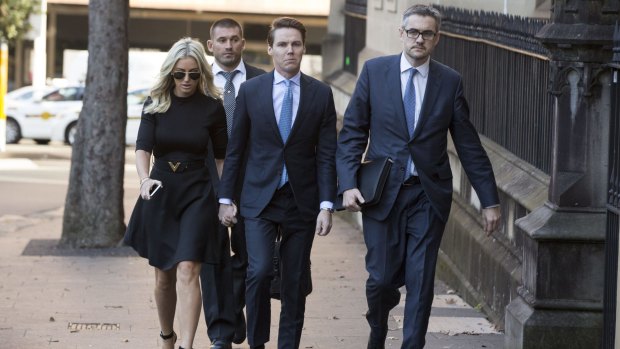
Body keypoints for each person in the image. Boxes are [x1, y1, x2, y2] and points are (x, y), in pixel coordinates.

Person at [336, 5, 502, 349]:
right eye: (413, 32)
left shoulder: (449, 81)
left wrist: (489, 200)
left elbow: (468, 144)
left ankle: (412, 344)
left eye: (427, 33)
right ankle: (378, 328)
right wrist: (348, 183)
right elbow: (353, 131)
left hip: (428, 196)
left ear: (437, 38)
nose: (419, 39)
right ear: (402, 34)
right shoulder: (374, 72)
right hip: (382, 195)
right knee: (381, 280)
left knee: (421, 279)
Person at [218, 17, 337, 349]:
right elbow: (236, 148)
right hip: (258, 198)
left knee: (294, 280)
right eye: (283, 44)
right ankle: (257, 343)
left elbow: (327, 154)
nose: (290, 51)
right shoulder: (251, 91)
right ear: (270, 49)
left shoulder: (320, 94)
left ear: (303, 48)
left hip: (301, 200)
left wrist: (327, 205)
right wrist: (226, 197)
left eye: (296, 44)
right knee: (258, 273)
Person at [124, 37, 227, 349]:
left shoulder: (212, 107)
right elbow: (143, 149)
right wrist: (144, 180)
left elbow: (222, 158)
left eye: (194, 74)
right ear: (170, 74)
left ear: (202, 75)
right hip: (161, 190)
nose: (186, 80)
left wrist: (223, 198)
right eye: (180, 74)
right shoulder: (155, 103)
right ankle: (167, 336)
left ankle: (186, 344)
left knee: (188, 268)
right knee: (164, 276)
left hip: (198, 191)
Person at [200, 18, 265, 349]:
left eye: (234, 39)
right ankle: (220, 334)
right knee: (212, 258)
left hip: (250, 183)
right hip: (204, 182)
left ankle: (234, 310)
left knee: (249, 256)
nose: (228, 45)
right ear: (210, 45)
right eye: (221, 40)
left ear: (243, 43)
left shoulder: (261, 80)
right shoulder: (195, 80)